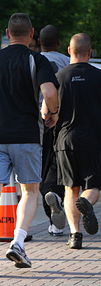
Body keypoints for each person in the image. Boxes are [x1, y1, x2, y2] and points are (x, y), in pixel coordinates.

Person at [0, 13, 59, 278]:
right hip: (26, 136)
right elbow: (49, 92)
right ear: (31, 34)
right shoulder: (37, 60)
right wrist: (51, 113)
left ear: (8, 34)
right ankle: (18, 243)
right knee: (30, 190)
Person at [54, 33, 101, 249]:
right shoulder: (98, 76)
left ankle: (75, 235)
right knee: (93, 185)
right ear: (90, 53)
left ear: (69, 51)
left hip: (65, 141)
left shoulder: (58, 77)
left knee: (70, 189)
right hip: (93, 139)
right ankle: (87, 202)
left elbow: (47, 111)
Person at [39, 25, 70, 236]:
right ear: (59, 43)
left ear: (39, 41)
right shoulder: (67, 63)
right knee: (58, 166)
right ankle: (57, 198)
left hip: (37, 124)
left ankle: (52, 220)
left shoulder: (33, 61)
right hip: (61, 121)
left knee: (41, 170)